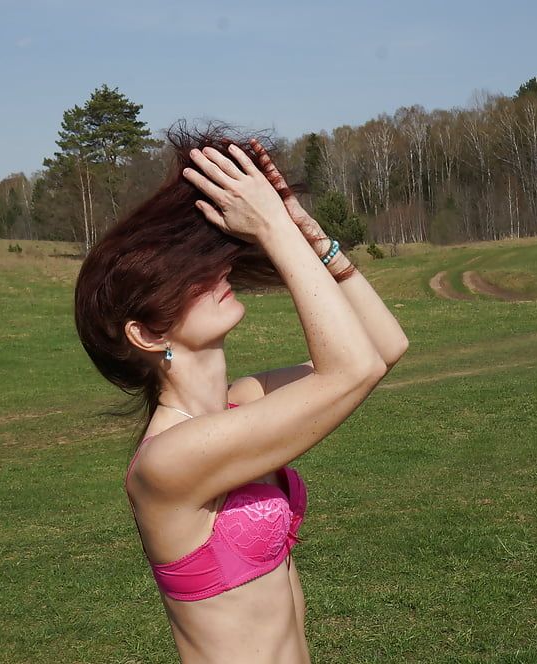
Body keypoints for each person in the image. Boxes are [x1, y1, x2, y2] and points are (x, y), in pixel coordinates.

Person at [74, 126, 409, 663]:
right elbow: (353, 369)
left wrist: (310, 237)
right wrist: (273, 230)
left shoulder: (244, 402)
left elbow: (383, 346)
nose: (216, 274)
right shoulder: (166, 461)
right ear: (148, 335)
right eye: (189, 278)